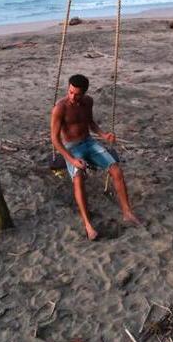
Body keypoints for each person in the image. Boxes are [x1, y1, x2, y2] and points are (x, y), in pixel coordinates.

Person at [50, 74, 141, 240]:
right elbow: (55, 140)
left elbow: (90, 122)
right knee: (78, 178)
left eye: (77, 94)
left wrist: (103, 135)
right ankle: (88, 224)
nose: (72, 97)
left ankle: (127, 212)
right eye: (70, 92)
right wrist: (72, 160)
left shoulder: (88, 102)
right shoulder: (60, 108)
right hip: (72, 147)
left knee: (116, 171)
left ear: (84, 93)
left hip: (89, 143)